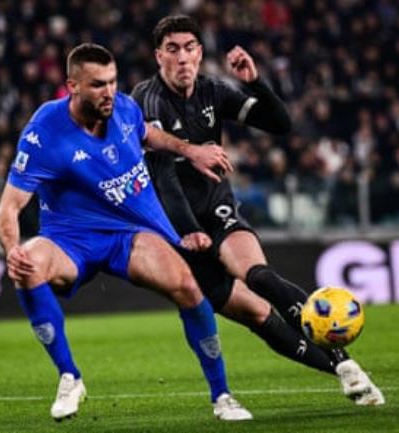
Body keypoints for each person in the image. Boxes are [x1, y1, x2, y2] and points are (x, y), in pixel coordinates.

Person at [131, 15, 384, 406]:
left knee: (259, 275)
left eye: (190, 48)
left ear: (200, 53)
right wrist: (186, 231)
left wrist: (254, 82)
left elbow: (280, 124)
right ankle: (342, 373)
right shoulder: (146, 101)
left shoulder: (212, 90)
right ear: (158, 56)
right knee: (259, 317)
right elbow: (163, 177)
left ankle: (348, 365)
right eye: (173, 49)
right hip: (178, 228)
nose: (182, 58)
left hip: (216, 209)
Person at [0, 43, 253, 422]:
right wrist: (12, 248)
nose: (109, 92)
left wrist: (191, 150)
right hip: (70, 238)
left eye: (113, 82)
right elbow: (8, 207)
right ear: (73, 86)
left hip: (128, 234)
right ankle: (69, 376)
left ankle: (223, 396)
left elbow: (150, 135)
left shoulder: (125, 109)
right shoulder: (44, 133)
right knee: (28, 265)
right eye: (98, 84)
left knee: (188, 286)